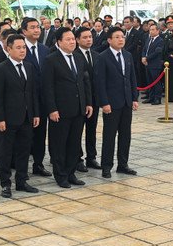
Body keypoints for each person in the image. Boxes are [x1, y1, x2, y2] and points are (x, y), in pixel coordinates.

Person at [41, 28, 92, 188]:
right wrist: (52, 109)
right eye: (68, 39)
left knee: (74, 144)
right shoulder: (51, 60)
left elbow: (84, 82)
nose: (72, 42)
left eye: (72, 39)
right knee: (59, 144)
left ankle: (71, 173)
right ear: (59, 42)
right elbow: (47, 87)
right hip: (60, 110)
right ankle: (61, 175)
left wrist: (88, 103)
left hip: (78, 108)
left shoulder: (78, 57)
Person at [0, 34, 40, 198]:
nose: (22, 50)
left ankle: (22, 180)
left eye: (24, 47)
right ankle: (5, 184)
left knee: (24, 150)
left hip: (26, 117)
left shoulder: (28, 67)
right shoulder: (1, 69)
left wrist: (35, 113)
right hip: (8, 118)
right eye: (18, 47)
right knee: (6, 152)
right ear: (8, 49)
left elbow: (32, 92)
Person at [95, 26, 139, 178]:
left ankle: (123, 164)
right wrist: (104, 103)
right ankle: (106, 166)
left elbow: (132, 78)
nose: (121, 39)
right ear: (109, 40)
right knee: (109, 136)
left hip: (126, 101)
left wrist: (134, 98)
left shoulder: (127, 55)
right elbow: (100, 82)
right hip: (111, 103)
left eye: (122, 37)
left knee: (125, 135)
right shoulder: (103, 57)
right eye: (117, 37)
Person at [22, 16, 52, 178]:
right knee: (25, 135)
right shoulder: (20, 49)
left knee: (41, 134)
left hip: (42, 99)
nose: (36, 30)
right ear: (24, 31)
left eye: (37, 27)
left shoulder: (45, 49)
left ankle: (38, 164)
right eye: (32, 27)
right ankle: (22, 167)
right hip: (25, 99)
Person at [74, 27, 100, 171]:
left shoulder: (96, 55)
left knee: (92, 129)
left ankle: (91, 157)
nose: (89, 40)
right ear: (77, 40)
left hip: (94, 99)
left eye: (90, 37)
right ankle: (77, 158)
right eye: (85, 37)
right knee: (78, 131)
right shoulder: (74, 55)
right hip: (79, 100)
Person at [142, 23, 165, 105]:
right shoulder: (148, 39)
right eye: (150, 30)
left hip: (154, 64)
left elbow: (157, 52)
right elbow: (144, 49)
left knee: (156, 82)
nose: (151, 32)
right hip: (147, 64)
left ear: (158, 31)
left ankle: (157, 98)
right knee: (149, 81)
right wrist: (143, 57)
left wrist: (147, 58)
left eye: (153, 30)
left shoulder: (160, 41)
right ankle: (151, 97)